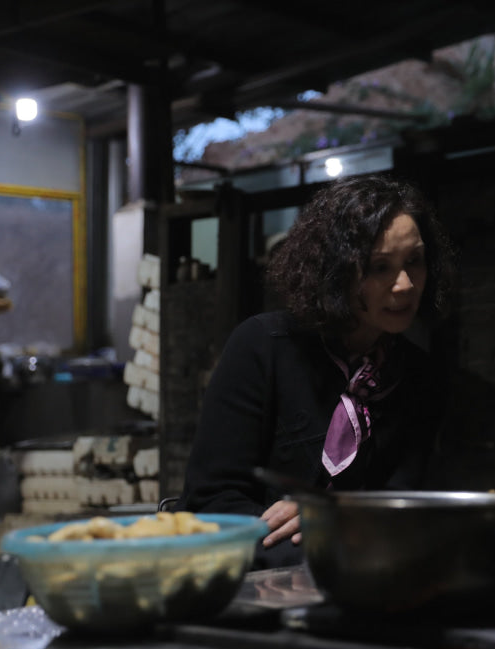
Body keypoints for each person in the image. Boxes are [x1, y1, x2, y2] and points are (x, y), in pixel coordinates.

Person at [178, 174, 454, 568]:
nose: (405, 285)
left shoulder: (419, 374)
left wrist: (333, 518)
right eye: (379, 267)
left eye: (414, 261)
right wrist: (302, 525)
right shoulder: (263, 346)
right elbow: (210, 498)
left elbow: (406, 501)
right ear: (337, 270)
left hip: (364, 561)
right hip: (256, 560)